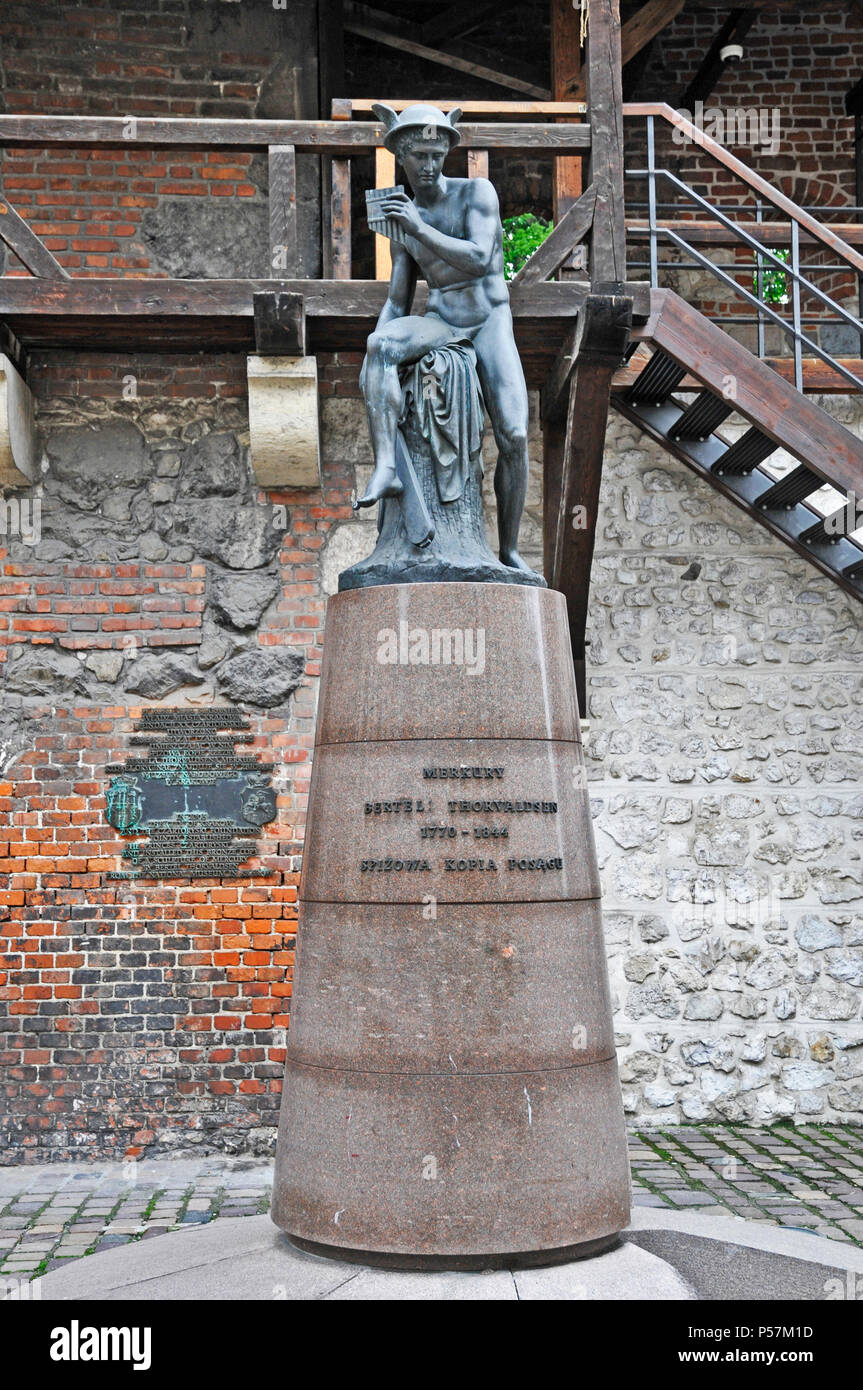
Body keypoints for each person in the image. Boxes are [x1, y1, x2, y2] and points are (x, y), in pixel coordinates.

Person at [355, 103, 533, 576]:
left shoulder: (477, 193)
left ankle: (510, 548)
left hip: (488, 321)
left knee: (514, 434)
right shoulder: (402, 217)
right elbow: (398, 299)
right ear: (402, 157)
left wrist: (418, 227)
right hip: (443, 320)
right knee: (380, 348)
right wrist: (377, 347)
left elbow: (479, 257)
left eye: (437, 154)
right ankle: (387, 467)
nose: (430, 165)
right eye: (420, 157)